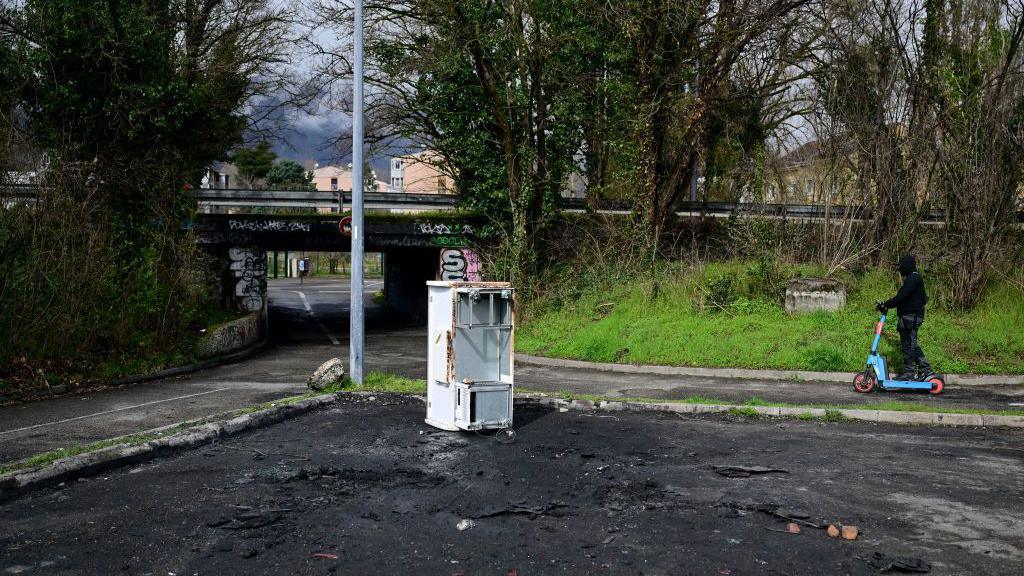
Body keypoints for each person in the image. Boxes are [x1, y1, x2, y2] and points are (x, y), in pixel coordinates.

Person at [876, 254, 933, 380]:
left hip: (911, 318)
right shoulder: (912, 278)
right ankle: (924, 370)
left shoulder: (914, 278)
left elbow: (901, 296)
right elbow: (905, 298)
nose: (900, 269)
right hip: (907, 317)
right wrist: (889, 304)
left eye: (901, 267)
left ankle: (912, 372)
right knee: (909, 344)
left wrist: (887, 304)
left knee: (909, 344)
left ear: (906, 266)